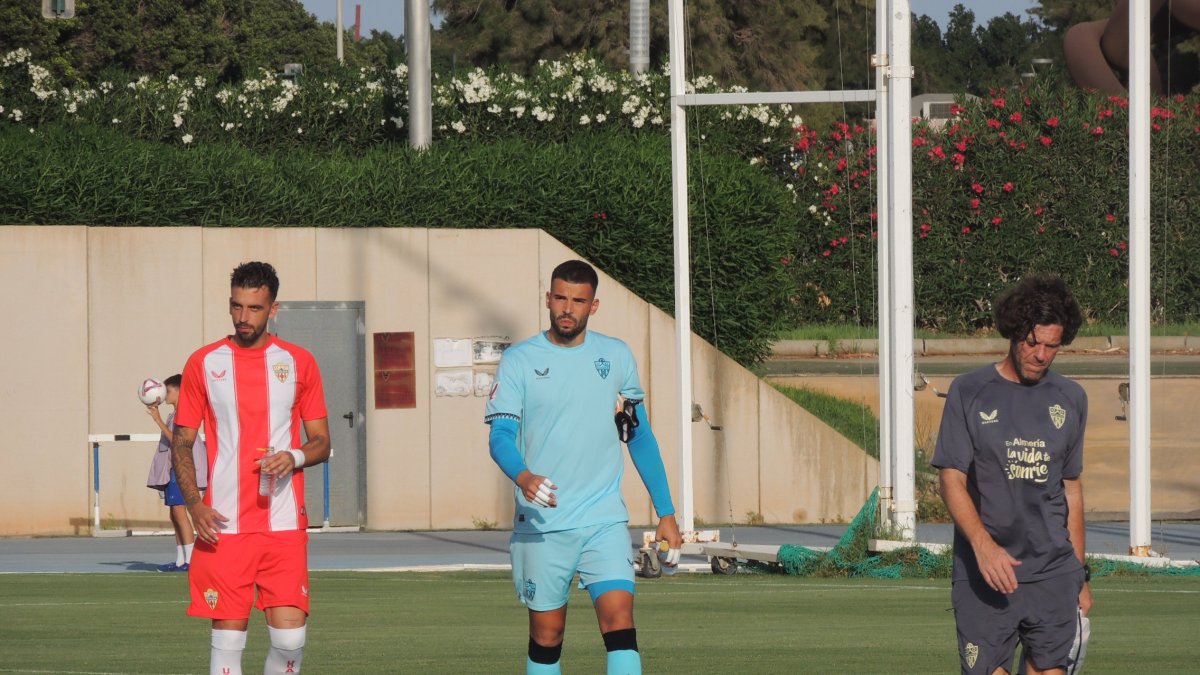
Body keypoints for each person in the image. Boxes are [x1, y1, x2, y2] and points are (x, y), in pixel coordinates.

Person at [484, 259, 683, 675]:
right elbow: (500, 436)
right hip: (543, 521)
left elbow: (638, 435)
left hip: (603, 518)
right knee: (547, 635)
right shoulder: (519, 360)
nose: (567, 308)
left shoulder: (616, 356)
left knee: (620, 621)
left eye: (578, 301)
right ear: (548, 299)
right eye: (560, 298)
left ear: (593, 306)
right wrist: (523, 476)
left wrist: (666, 511)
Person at [171, 261, 330, 675]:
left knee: (290, 642)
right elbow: (182, 442)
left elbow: (321, 442)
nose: (243, 317)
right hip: (224, 525)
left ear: (273, 309)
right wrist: (194, 504)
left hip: (283, 524)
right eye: (236, 306)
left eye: (255, 308)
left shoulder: (299, 362)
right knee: (228, 643)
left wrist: (294, 456)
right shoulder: (203, 362)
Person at [932, 274, 1092, 675]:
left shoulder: (1072, 398)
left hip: (1053, 573)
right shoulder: (969, 391)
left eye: (1052, 346)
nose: (1040, 355)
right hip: (984, 573)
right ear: (1013, 332)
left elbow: (1072, 490)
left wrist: (1080, 575)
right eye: (1032, 342)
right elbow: (950, 480)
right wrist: (983, 547)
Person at [145, 374, 207, 572]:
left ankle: (191, 560)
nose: (165, 394)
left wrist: (158, 420)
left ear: (180, 391)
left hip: (182, 469)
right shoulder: (174, 415)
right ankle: (180, 560)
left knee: (180, 512)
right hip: (172, 469)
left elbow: (178, 442)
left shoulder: (184, 414)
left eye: (169, 390)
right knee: (174, 514)